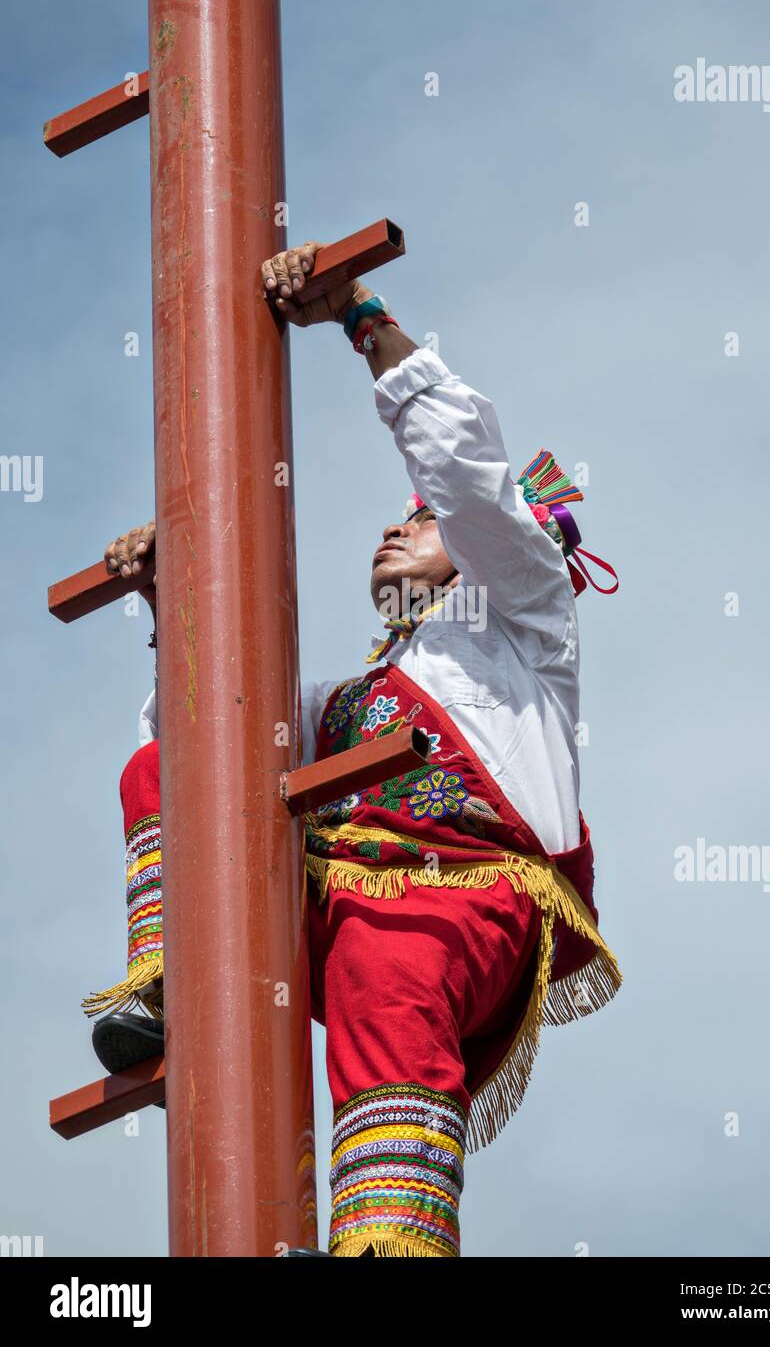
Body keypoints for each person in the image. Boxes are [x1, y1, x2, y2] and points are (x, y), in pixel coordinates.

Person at [85, 240, 623, 1258]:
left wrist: (360, 318)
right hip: (337, 892)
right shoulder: (349, 698)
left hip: (457, 893)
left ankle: (387, 1246)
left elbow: (466, 475)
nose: (393, 528)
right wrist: (169, 604)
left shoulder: (522, 616)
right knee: (169, 766)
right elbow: (199, 723)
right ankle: (168, 984)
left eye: (418, 523)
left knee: (388, 969)